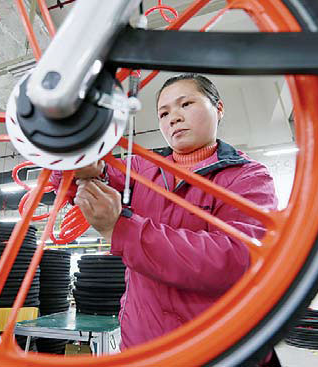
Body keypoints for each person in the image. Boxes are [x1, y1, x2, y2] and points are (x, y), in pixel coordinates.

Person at [51, 73, 279, 364]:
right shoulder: (141, 171)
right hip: (142, 348)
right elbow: (66, 181)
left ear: (218, 108)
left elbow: (235, 259)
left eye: (186, 104)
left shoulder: (248, 177)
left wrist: (120, 228)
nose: (174, 118)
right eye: (164, 112)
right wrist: (76, 157)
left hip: (218, 351)